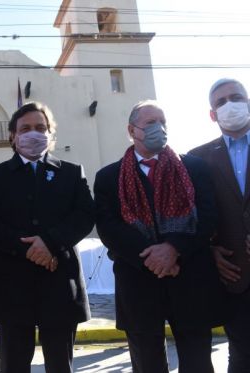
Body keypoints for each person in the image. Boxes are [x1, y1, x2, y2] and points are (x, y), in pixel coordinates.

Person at [94, 100, 222, 373]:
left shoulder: (194, 168)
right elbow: (108, 228)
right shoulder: (108, 177)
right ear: (132, 130)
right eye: (151, 122)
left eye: (162, 122)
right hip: (138, 283)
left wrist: (174, 249)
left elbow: (209, 217)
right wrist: (153, 256)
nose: (158, 128)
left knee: (198, 362)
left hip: (189, 279)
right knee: (147, 363)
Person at [0, 102, 95, 373]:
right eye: (25, 128)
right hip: (12, 289)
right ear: (12, 136)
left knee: (60, 366)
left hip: (60, 286)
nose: (33, 133)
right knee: (13, 366)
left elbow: (85, 216)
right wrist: (29, 248)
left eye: (40, 128)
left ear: (51, 134)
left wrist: (50, 244)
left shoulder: (71, 172)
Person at [189, 78, 250, 373]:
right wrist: (210, 250)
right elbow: (192, 217)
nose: (229, 104)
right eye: (220, 102)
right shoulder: (196, 159)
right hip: (234, 275)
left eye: (236, 97)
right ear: (212, 114)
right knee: (241, 356)